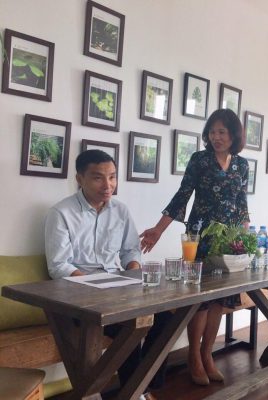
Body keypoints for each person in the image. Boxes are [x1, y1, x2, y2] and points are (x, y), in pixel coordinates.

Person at [44, 150, 167, 400]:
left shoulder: (120, 210)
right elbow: (59, 265)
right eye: (98, 178)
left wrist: (133, 273)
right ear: (80, 179)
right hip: (79, 297)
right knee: (130, 327)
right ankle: (136, 393)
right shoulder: (62, 213)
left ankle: (143, 388)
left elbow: (130, 251)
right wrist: (96, 286)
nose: (108, 185)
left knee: (165, 318)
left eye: (112, 177)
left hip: (119, 290)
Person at [140, 108, 249, 386]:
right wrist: (158, 229)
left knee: (219, 301)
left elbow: (242, 205)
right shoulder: (199, 160)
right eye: (212, 132)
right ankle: (193, 356)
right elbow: (183, 195)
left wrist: (243, 240)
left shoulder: (242, 165)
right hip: (199, 237)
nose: (216, 137)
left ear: (234, 134)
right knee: (199, 300)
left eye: (222, 132)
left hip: (227, 240)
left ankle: (207, 354)